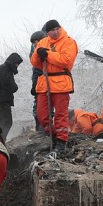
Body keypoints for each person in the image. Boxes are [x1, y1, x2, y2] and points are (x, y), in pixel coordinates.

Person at [30, 19, 78, 152]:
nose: (55, 32)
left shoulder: (69, 42)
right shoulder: (43, 42)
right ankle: (52, 134)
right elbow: (35, 63)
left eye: (57, 29)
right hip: (45, 83)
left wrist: (48, 54)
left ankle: (62, 141)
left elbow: (66, 60)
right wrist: (38, 55)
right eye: (52, 30)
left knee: (61, 114)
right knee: (41, 114)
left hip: (61, 81)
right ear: (47, 32)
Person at [0, 53, 23, 141]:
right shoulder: (3, 69)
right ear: (12, 61)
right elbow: (9, 84)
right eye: (16, 63)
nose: (17, 65)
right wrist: (15, 87)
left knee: (6, 122)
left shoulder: (5, 69)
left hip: (2, 100)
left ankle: (0, 140)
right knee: (6, 122)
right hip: (2, 100)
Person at [30, 31, 47, 131]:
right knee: (38, 106)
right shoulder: (36, 53)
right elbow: (36, 70)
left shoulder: (48, 50)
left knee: (47, 107)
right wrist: (34, 85)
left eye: (35, 42)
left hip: (49, 84)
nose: (34, 45)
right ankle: (39, 126)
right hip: (40, 84)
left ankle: (45, 128)